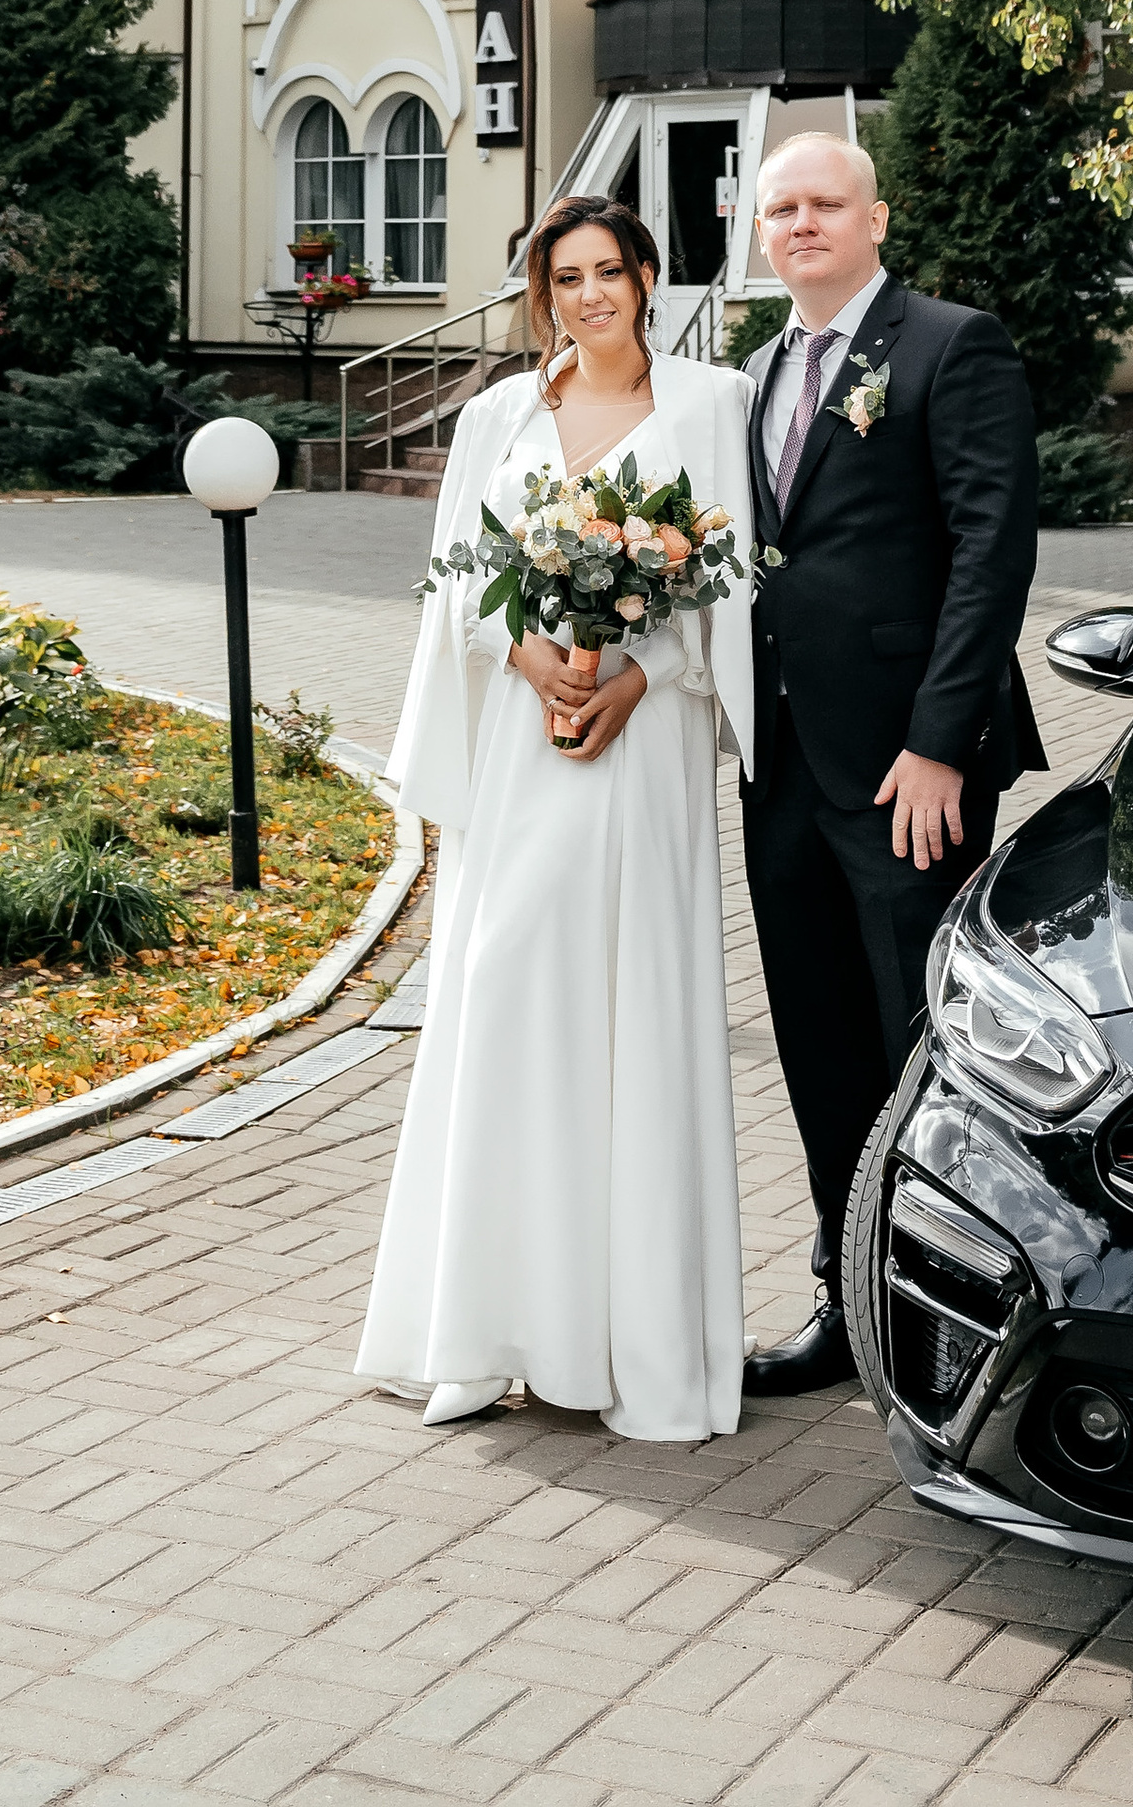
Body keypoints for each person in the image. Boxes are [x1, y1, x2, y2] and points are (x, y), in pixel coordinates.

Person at [357, 192, 757, 1442]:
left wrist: (638, 679)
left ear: (646, 277)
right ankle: (482, 1333)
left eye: (609, 271)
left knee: (631, 1013)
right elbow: (459, 588)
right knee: (509, 988)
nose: (590, 295)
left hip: (645, 756)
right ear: (546, 294)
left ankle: (631, 1343)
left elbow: (729, 592)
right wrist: (534, 663)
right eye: (565, 277)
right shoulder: (497, 417)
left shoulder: (711, 406)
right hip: (525, 760)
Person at [739, 131, 1044, 1395]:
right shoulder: (755, 370)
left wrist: (937, 745)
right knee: (818, 1040)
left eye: (825, 203)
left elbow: (992, 549)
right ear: (760, 231)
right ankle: (844, 1293)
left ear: (875, 219)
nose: (801, 224)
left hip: (908, 774)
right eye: (781, 208)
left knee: (924, 1041)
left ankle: (949, 1314)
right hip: (783, 769)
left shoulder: (947, 345)